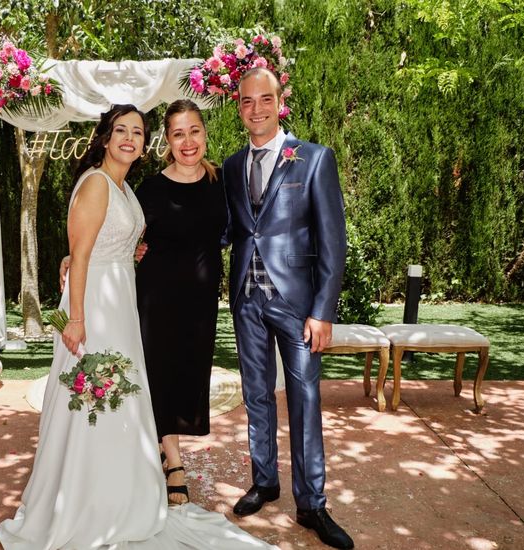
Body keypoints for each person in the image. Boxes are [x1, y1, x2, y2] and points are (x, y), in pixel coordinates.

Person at [0, 104, 275, 550]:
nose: (130, 138)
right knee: (95, 396)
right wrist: (77, 309)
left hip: (127, 299)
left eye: (137, 132)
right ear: (106, 137)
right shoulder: (104, 184)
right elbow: (84, 248)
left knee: (123, 396)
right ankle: (88, 497)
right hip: (105, 306)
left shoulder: (132, 186)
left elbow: (121, 239)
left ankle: (117, 489)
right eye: (121, 130)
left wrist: (122, 252)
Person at [223, 68, 354, 550]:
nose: (254, 109)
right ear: (238, 106)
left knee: (304, 400)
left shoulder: (314, 160)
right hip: (247, 301)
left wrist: (323, 310)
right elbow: (232, 230)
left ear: (280, 102)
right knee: (256, 396)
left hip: (298, 307)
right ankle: (265, 481)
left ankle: (312, 503)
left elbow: (332, 241)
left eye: (264, 99)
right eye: (245, 101)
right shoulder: (233, 165)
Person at [134, 99, 227, 505]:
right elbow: (117, 232)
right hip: (157, 299)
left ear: (205, 133)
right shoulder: (150, 189)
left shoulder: (223, 182)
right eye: (177, 134)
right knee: (160, 376)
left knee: (189, 375)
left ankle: (161, 444)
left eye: (194, 131)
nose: (187, 141)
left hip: (201, 303)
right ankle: (174, 462)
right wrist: (73, 255)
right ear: (167, 142)